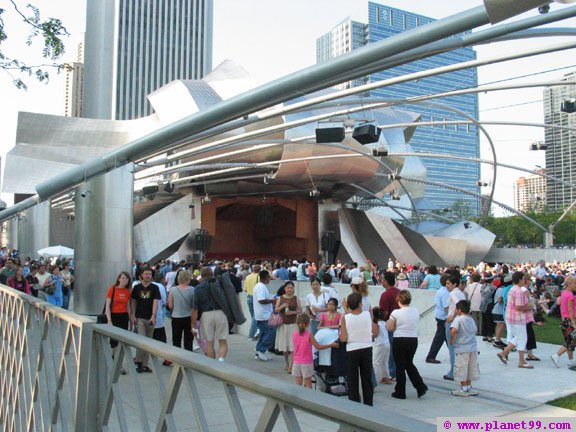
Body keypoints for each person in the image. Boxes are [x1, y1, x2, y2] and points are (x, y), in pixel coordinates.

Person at [386, 290, 428, 400]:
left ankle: (400, 391)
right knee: (409, 363)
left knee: (400, 366)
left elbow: (390, 327)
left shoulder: (395, 313)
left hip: (399, 339)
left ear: (399, 300)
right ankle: (420, 386)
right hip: (412, 339)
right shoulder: (415, 311)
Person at [340, 292, 377, 406]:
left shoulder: (345, 318)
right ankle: (368, 403)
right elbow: (375, 332)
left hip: (352, 349)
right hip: (366, 347)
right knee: (367, 379)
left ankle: (354, 404)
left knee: (352, 379)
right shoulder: (367, 314)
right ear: (360, 304)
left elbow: (343, 337)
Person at [496, 272, 534, 369]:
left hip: (511, 317)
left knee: (517, 338)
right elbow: (518, 307)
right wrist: (530, 306)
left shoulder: (512, 289)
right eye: (523, 278)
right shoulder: (519, 291)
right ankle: (520, 360)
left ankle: (505, 353)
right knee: (522, 338)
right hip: (518, 319)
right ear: (521, 279)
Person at [191, 267, 229, 361]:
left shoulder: (198, 288)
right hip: (221, 313)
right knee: (223, 341)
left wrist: (193, 324)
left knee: (209, 342)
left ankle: (212, 363)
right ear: (212, 274)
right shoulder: (219, 284)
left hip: (206, 315)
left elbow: (195, 308)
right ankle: (221, 360)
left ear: (202, 275)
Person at [292, 314, 339, 388]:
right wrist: (331, 345)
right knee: (308, 383)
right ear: (308, 324)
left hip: (296, 361)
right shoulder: (309, 335)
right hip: (306, 361)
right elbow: (318, 347)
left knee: (298, 383)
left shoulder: (294, 334)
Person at [130, 268, 160, 373]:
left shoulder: (155, 288)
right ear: (141, 275)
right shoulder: (137, 288)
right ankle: (139, 361)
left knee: (149, 341)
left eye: (150, 274)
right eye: (146, 274)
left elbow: (156, 302)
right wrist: (133, 315)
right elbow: (133, 302)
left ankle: (145, 364)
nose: (148, 276)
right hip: (140, 318)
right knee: (142, 340)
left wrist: (153, 315)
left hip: (150, 318)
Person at [449, 300, 480, 396]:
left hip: (462, 348)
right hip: (472, 347)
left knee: (461, 368)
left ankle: (463, 388)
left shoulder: (458, 319)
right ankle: (469, 387)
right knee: (471, 368)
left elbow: (454, 330)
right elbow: (475, 330)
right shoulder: (471, 319)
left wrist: (452, 339)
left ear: (459, 310)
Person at [104, 271, 133, 375]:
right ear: (119, 279)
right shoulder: (112, 289)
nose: (125, 280)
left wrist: (131, 320)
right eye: (123, 278)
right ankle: (114, 360)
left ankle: (118, 363)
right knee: (114, 342)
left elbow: (128, 306)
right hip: (114, 316)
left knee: (122, 341)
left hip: (124, 316)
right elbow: (107, 306)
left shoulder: (127, 291)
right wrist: (109, 320)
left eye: (127, 278)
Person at [275, 281, 302, 372]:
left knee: (292, 346)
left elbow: (300, 310)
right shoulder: (280, 298)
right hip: (283, 324)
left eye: (291, 287)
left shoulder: (295, 298)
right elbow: (275, 310)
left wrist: (293, 312)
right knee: (284, 346)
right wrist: (282, 306)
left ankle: (291, 365)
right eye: (288, 288)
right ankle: (287, 363)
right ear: (285, 288)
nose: (290, 289)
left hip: (293, 324)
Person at [551, 276, 576, 369]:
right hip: (569, 320)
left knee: (569, 340)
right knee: (573, 340)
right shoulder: (570, 295)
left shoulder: (564, 293)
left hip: (563, 320)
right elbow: (570, 310)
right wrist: (573, 322)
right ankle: (556, 355)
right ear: (569, 284)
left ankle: (571, 360)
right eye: (575, 283)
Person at [425, 273, 450, 364]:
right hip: (443, 317)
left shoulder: (442, 290)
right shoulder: (445, 293)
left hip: (440, 316)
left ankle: (455, 353)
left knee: (446, 337)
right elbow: (446, 307)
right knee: (440, 337)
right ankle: (431, 356)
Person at [444, 274, 465, 381]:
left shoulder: (453, 294)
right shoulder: (461, 293)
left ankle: (453, 372)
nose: (446, 286)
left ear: (454, 284)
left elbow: (459, 305)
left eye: (448, 283)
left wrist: (451, 317)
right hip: (460, 323)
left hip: (453, 323)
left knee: (452, 348)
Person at [252, 270, 277, 361]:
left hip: (262, 314)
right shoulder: (261, 287)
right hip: (263, 315)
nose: (270, 279)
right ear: (266, 277)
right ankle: (261, 349)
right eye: (269, 277)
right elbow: (261, 300)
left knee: (264, 333)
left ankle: (260, 350)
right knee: (271, 332)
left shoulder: (260, 286)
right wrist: (272, 301)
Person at [379, 272, 399, 380]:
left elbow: (384, 312)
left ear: (386, 281)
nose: (381, 280)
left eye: (382, 279)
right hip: (400, 325)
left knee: (390, 350)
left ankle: (392, 372)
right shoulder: (399, 292)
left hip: (389, 325)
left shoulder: (385, 295)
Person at [168, 270, 195, 351]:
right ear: (188, 278)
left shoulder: (172, 289)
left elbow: (170, 305)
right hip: (188, 317)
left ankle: (177, 360)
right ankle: (188, 359)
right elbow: (194, 305)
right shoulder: (192, 289)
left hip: (176, 317)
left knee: (176, 340)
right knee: (188, 340)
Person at [372, 306, 392, 384]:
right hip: (387, 344)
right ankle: (386, 377)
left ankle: (374, 381)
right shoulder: (384, 323)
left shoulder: (375, 324)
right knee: (384, 362)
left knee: (376, 363)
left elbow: (375, 335)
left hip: (379, 345)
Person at [244, 264, 261, 341]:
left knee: (253, 317)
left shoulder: (248, 277)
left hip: (249, 297)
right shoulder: (259, 277)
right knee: (255, 317)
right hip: (256, 298)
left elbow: (245, 289)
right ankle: (251, 334)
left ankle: (256, 332)